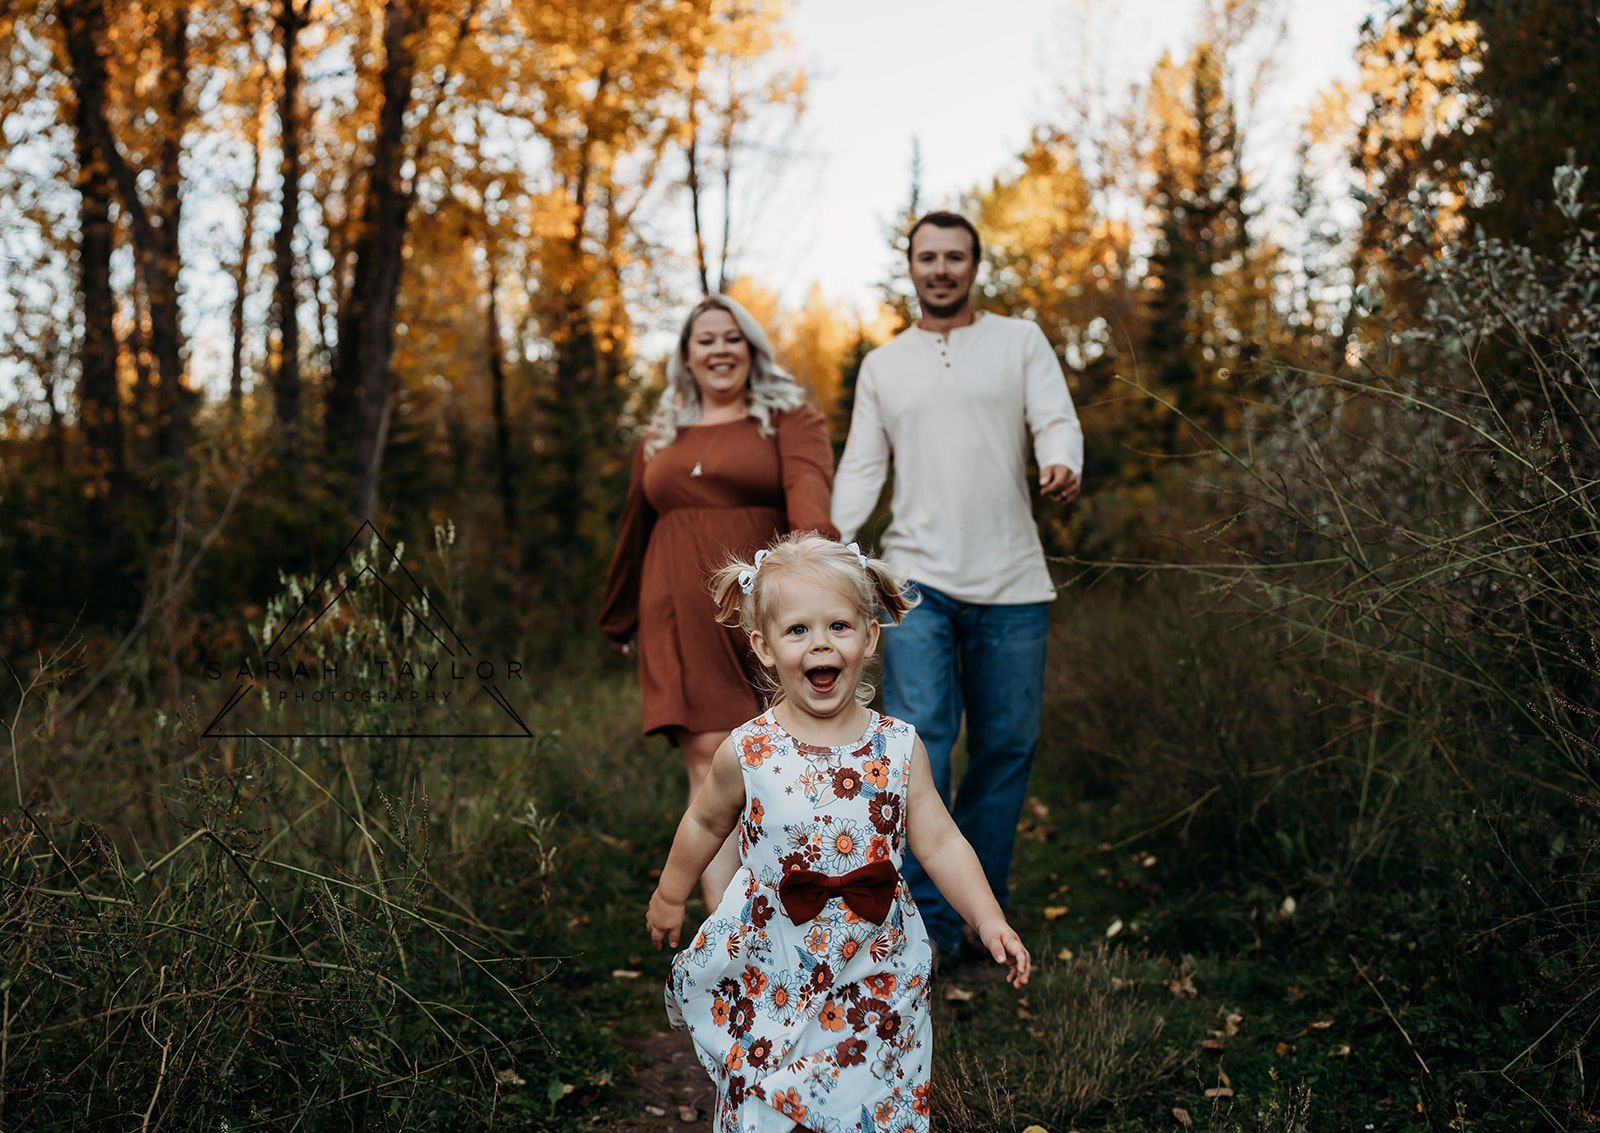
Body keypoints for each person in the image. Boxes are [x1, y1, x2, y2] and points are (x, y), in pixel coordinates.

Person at [646, 533, 1032, 1133]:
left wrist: (987, 918)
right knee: (768, 1095)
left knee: (875, 1095)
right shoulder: (749, 750)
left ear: (870, 637)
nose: (820, 643)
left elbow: (942, 842)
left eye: (839, 627)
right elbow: (704, 821)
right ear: (764, 647)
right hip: (773, 957)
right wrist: (672, 893)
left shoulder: (898, 747)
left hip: (875, 964)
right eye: (798, 630)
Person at [830, 211, 1084, 966]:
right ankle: (931, 927)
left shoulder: (1019, 340)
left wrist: (1063, 459)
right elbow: (863, 467)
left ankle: (983, 914)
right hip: (917, 585)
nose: (941, 269)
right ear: (910, 267)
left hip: (1012, 579)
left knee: (1006, 747)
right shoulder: (885, 366)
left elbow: (1056, 418)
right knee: (923, 750)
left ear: (976, 265)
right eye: (927, 257)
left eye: (955, 257)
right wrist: (827, 546)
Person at [600, 295, 839, 910]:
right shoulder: (659, 437)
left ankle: (804, 919)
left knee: (785, 759)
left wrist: (818, 574)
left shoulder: (788, 419)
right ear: (686, 356)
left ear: (753, 349)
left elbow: (809, 499)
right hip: (676, 608)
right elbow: (635, 529)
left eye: (733, 338)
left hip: (763, 607)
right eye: (706, 339)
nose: (720, 349)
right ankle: (731, 949)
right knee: (710, 761)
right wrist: (619, 613)